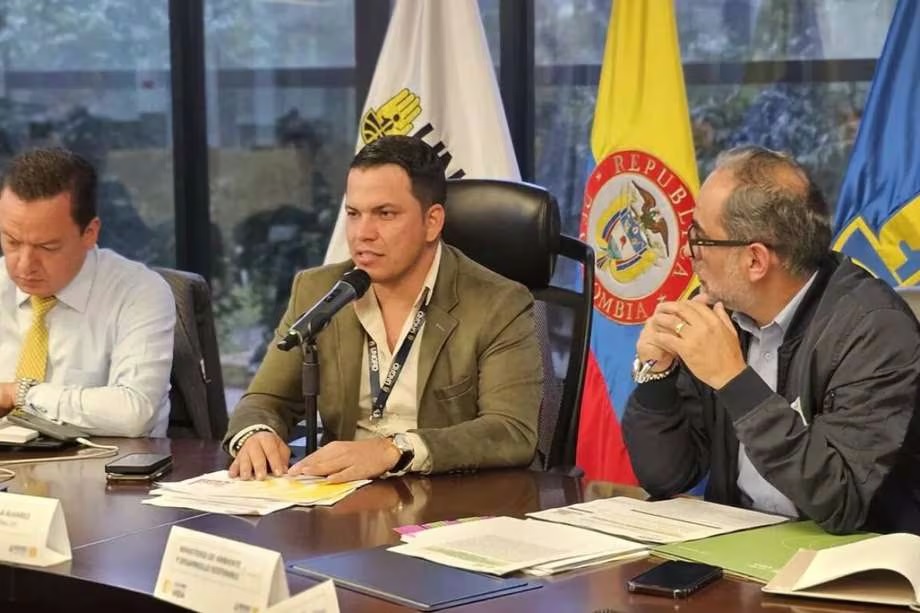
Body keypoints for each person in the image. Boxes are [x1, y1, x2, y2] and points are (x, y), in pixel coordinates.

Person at [622, 145, 920, 535]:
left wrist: (734, 381)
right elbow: (666, 477)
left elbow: (840, 500)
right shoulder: (719, 310)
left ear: (755, 261)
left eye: (700, 239)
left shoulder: (874, 330)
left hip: (852, 559)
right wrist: (656, 377)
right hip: (734, 547)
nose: (689, 254)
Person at [225, 135, 542, 482]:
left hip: (443, 495)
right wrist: (256, 434)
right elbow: (264, 400)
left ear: (432, 222)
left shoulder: (498, 303)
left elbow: (511, 430)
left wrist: (394, 450)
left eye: (385, 214)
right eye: (353, 214)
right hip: (339, 495)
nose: (362, 233)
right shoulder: (318, 291)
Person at [0, 147, 175, 436]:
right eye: (12, 242)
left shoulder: (139, 292)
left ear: (90, 233)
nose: (24, 264)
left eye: (47, 247)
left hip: (105, 463)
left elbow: (134, 412)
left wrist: (18, 394)